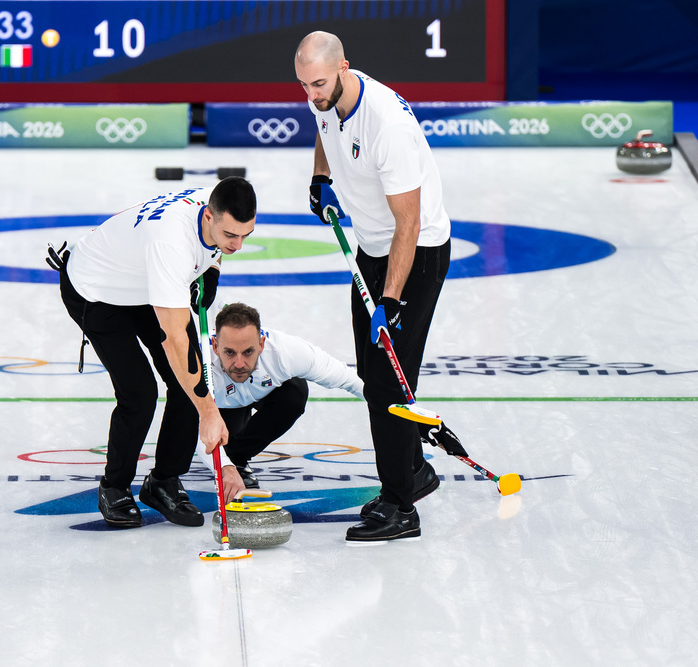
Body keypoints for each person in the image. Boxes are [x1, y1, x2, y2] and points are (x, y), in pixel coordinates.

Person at [294, 32, 452, 542]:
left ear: (344, 67)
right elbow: (324, 126)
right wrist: (321, 178)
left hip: (416, 255)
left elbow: (410, 223)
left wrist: (391, 300)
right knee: (372, 372)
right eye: (303, 85)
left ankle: (401, 505)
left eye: (319, 83)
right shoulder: (326, 97)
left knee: (389, 382)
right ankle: (414, 470)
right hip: (372, 247)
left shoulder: (386, 125)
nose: (311, 95)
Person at [48, 177, 257, 529]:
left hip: (141, 280)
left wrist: (212, 270)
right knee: (140, 393)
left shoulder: (216, 198)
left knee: (187, 383)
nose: (237, 245)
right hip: (95, 289)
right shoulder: (171, 244)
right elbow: (175, 339)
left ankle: (163, 482)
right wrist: (208, 412)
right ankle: (114, 486)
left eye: (245, 235)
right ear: (208, 216)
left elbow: (217, 244)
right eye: (229, 236)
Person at [195, 302, 365, 502]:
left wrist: (387, 406)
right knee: (193, 436)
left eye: (248, 352)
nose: (239, 364)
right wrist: (224, 467)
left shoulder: (286, 352)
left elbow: (349, 379)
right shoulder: (197, 366)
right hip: (219, 407)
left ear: (262, 344)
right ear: (215, 347)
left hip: (261, 393)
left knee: (294, 392)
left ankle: (237, 457)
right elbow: (198, 432)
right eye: (230, 352)